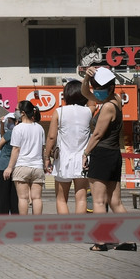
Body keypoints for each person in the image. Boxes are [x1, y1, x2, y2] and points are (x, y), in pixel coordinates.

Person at [81, 66, 136, 251]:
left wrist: (85, 153)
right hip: (114, 155)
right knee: (115, 202)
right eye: (95, 86)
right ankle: (129, 239)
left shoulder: (107, 107)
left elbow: (97, 135)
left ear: (111, 87)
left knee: (98, 201)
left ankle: (101, 241)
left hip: (101, 154)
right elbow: (85, 93)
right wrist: (86, 79)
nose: (96, 90)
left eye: (99, 86)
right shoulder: (116, 100)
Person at [44, 79, 94, 215]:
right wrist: (86, 84)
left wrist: (47, 157)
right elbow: (92, 101)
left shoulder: (59, 112)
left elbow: (51, 137)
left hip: (63, 161)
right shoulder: (88, 112)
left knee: (61, 199)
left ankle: (66, 231)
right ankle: (80, 231)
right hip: (83, 160)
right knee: (81, 198)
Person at [3, 101, 45, 215]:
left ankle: (24, 223)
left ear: (22, 113)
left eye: (16, 109)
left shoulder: (18, 128)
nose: (15, 111)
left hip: (22, 166)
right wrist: (45, 164)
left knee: (23, 198)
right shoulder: (40, 128)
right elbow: (42, 149)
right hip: (37, 166)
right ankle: (37, 223)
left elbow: (16, 149)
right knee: (37, 198)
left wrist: (9, 168)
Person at [0, 113, 20, 214]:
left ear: (16, 121)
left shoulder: (10, 133)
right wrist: (1, 125)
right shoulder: (19, 133)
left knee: (3, 195)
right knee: (14, 195)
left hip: (4, 165)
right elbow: (3, 136)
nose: (8, 123)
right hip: (16, 165)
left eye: (9, 121)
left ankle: (3, 216)